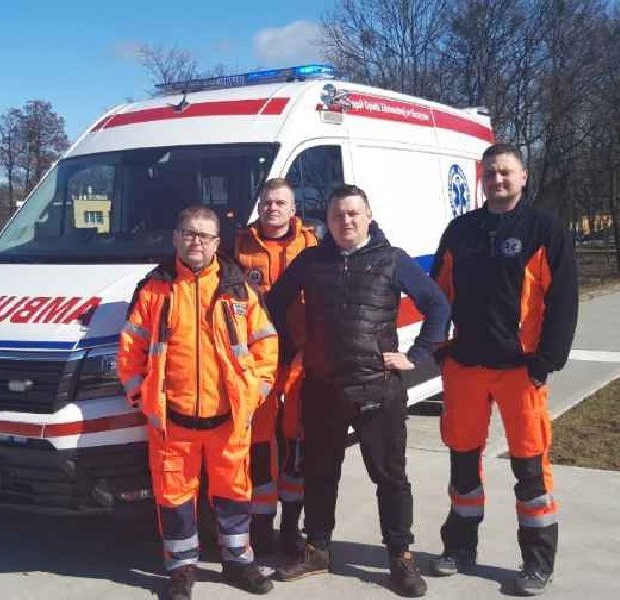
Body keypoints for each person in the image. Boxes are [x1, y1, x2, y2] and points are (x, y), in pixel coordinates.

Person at [267, 184, 450, 597]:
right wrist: (294, 348)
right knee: (319, 474)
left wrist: (418, 355)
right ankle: (317, 549)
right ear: (328, 222)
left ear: (368, 216)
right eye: (337, 215)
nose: (345, 221)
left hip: (377, 388)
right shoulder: (311, 261)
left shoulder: (392, 259)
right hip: (322, 388)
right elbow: (274, 303)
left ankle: (400, 556)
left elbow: (438, 305)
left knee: (390, 477)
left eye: (352, 213)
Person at [428, 144, 578, 596]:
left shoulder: (544, 229)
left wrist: (546, 361)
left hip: (520, 369)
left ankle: (537, 562)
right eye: (491, 173)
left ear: (523, 177)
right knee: (462, 462)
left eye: (506, 172)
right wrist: (439, 348)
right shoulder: (461, 230)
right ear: (482, 178)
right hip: (466, 368)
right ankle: (459, 547)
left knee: (530, 469)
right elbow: (438, 294)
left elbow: (563, 300)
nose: (497, 180)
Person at [118, 205, 279, 600]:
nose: (196, 242)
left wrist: (256, 392)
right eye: (189, 233)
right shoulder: (154, 289)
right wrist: (141, 396)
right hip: (172, 420)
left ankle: (238, 561)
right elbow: (131, 350)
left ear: (217, 242)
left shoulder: (237, 288)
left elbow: (266, 343)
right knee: (174, 498)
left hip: (228, 418)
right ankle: (181, 569)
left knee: (234, 493)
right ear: (176, 237)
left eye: (205, 236)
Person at [234, 178, 319, 556]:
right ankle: (262, 525)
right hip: (256, 360)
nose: (273, 208)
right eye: (267, 202)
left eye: (281, 203)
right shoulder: (239, 244)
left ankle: (291, 526)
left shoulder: (312, 244)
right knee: (260, 442)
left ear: (293, 208)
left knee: (296, 441)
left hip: (299, 356)